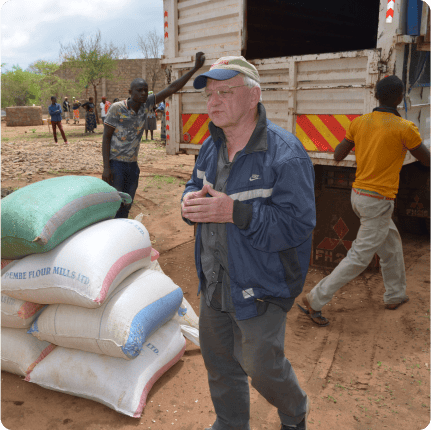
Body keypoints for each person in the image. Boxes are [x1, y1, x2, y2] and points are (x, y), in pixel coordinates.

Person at [181, 56, 315, 430]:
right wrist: (188, 201)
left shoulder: (285, 154)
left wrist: (236, 213)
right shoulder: (211, 146)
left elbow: (298, 225)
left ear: (253, 96)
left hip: (262, 283)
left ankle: (294, 412)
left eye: (224, 92)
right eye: (209, 94)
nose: (213, 102)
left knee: (261, 366)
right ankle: (230, 422)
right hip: (215, 279)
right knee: (219, 361)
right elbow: (195, 184)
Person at [299, 75, 431, 327]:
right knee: (359, 257)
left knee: (391, 247)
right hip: (378, 201)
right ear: (400, 97)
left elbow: (338, 155)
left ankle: (395, 295)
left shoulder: (359, 123)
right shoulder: (405, 128)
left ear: (376, 95)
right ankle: (315, 299)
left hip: (359, 196)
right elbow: (426, 160)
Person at [102, 52, 206, 219]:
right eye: (139, 90)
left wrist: (194, 69)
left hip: (132, 165)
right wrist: (107, 168)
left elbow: (172, 88)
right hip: (116, 165)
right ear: (130, 92)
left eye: (145, 90)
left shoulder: (147, 104)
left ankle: (124, 230)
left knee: (127, 204)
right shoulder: (117, 108)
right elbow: (106, 138)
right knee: (115, 205)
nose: (144, 93)